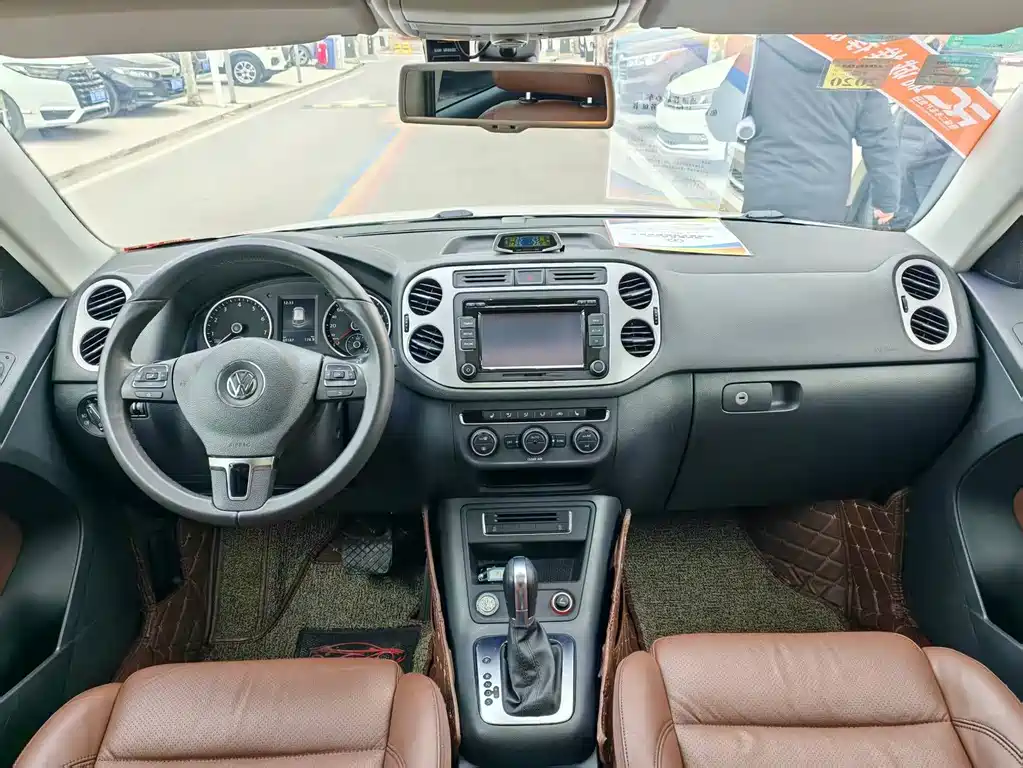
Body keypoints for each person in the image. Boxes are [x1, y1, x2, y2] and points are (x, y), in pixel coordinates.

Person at [740, 35, 899, 225]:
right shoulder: (864, 62)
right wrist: (886, 199)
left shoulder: (759, 49)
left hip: (765, 185)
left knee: (761, 242)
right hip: (826, 196)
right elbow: (879, 140)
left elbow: (725, 114)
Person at [893, 39, 998, 229]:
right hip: (908, 154)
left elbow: (961, 117)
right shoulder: (930, 46)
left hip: (931, 160)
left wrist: (919, 151)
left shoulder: (970, 55)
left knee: (924, 222)